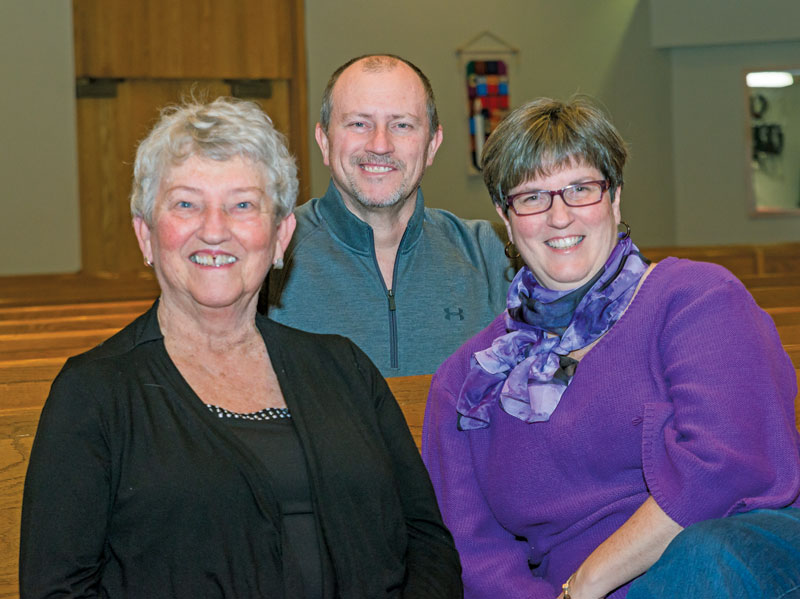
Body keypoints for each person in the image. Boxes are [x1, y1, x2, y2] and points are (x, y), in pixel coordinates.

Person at [20, 97, 462, 598]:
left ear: (280, 236)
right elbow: (57, 590)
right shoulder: (95, 393)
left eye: (243, 205)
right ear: (146, 235)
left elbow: (426, 541)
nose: (214, 228)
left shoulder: (344, 367)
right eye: (186, 203)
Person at [422, 96, 800, 598]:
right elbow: (476, 556)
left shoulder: (694, 298)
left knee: (704, 557)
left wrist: (586, 584)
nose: (559, 217)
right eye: (532, 197)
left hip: (730, 563)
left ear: (615, 197)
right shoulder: (468, 381)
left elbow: (725, 468)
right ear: (505, 217)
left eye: (580, 189)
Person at [264, 54, 515, 377]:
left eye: (401, 125)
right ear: (324, 141)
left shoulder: (494, 253)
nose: (380, 144)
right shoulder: (268, 253)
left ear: (432, 145)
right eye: (359, 123)